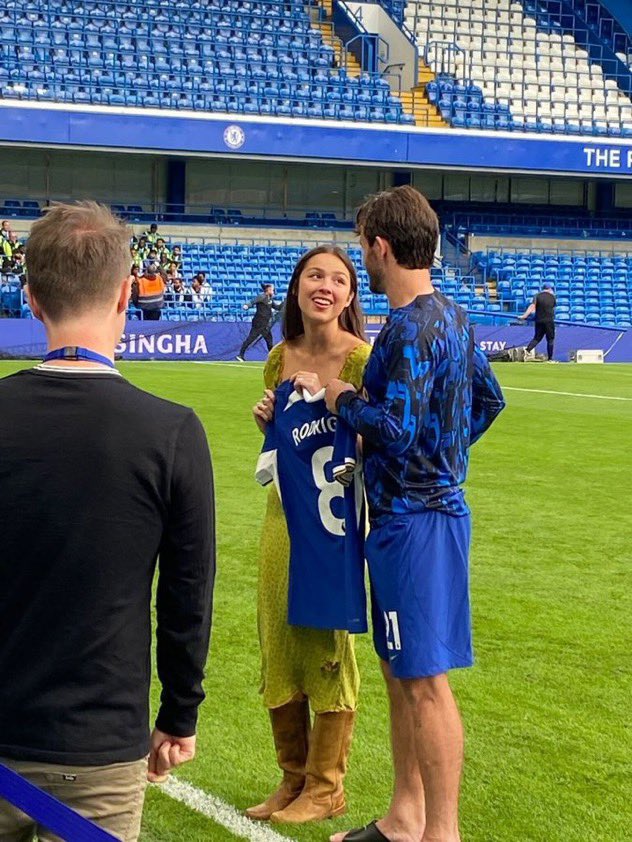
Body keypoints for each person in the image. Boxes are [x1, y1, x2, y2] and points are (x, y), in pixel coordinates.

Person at [0, 201, 215, 842]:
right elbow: (187, 595)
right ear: (127, 292)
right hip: (101, 745)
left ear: (31, 297)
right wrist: (180, 712)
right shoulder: (171, 432)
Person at [324, 186, 505, 842]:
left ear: (380, 247)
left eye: (363, 245)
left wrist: (345, 400)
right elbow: (489, 400)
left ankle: (441, 834)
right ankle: (405, 818)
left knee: (424, 681)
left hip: (413, 523)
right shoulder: (454, 317)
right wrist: (444, 453)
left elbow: (393, 429)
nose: (362, 260)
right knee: (401, 669)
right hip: (427, 516)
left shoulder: (406, 326)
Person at [247, 246, 371, 825]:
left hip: (335, 520)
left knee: (325, 643)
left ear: (350, 296)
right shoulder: (278, 357)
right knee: (279, 636)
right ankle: (292, 779)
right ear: (297, 287)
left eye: (338, 279)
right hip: (282, 519)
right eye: (314, 275)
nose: (324, 286)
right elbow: (277, 448)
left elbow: (379, 442)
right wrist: (268, 419)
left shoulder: (363, 360)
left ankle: (326, 788)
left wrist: (338, 419)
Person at [237, 283, 283, 360]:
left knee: (269, 341)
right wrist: (247, 306)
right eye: (272, 289)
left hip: (265, 324)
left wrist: (284, 303)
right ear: (268, 290)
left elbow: (277, 307)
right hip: (259, 323)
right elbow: (253, 301)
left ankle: (272, 358)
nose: (273, 291)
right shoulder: (262, 296)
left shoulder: (270, 299)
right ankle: (240, 355)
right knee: (250, 338)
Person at [519, 282, 557, 361]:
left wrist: (524, 316)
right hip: (549, 320)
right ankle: (550, 358)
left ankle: (527, 351)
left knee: (537, 338)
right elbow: (553, 308)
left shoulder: (537, 296)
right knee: (550, 340)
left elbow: (532, 306)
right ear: (550, 289)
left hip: (539, 320)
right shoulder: (553, 297)